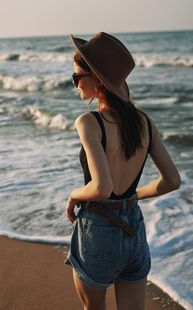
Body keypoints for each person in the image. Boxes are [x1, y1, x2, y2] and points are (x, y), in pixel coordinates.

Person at [64, 32, 181, 310]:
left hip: (99, 230)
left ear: (97, 79)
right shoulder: (144, 123)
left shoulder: (89, 122)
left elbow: (101, 188)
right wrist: (133, 197)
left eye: (77, 77)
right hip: (134, 230)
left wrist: (73, 196)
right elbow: (172, 180)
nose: (75, 84)